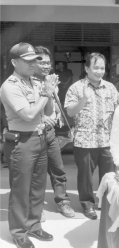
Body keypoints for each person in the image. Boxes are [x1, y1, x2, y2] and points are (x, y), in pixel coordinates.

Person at [0, 42, 58, 248]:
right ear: (15, 62)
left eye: (35, 60)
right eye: (28, 61)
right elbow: (29, 114)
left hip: (39, 138)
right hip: (21, 141)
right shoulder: (9, 86)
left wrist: (49, 91)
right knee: (21, 189)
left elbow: (48, 111)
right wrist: (45, 93)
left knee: (37, 187)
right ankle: (18, 231)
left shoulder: (35, 82)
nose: (34, 64)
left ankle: (34, 225)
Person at [65, 53, 119, 220]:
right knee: (85, 176)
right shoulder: (76, 88)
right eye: (96, 67)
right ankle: (87, 204)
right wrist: (83, 100)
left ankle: (105, 203)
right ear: (87, 69)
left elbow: (117, 113)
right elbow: (70, 112)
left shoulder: (110, 87)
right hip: (85, 140)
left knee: (109, 175)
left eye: (102, 68)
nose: (99, 71)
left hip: (107, 139)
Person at [33, 46, 75, 218]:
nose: (45, 65)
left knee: (58, 169)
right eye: (40, 61)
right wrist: (41, 119)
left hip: (50, 133)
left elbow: (53, 107)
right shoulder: (27, 83)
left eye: (48, 62)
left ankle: (62, 201)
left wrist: (57, 114)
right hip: (33, 134)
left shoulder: (51, 81)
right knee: (37, 173)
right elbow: (24, 111)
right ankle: (35, 207)